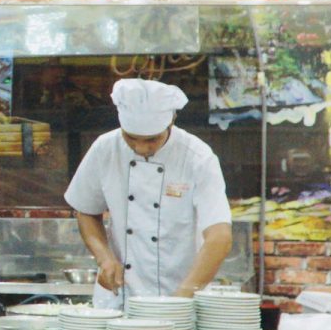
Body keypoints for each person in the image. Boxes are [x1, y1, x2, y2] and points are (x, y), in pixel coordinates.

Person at [65, 78, 231, 309]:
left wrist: (183, 297)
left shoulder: (197, 157)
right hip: (119, 297)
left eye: (152, 139)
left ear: (171, 121)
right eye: (130, 137)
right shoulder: (105, 148)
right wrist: (105, 258)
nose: (141, 148)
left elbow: (220, 237)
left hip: (180, 292)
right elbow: (85, 210)